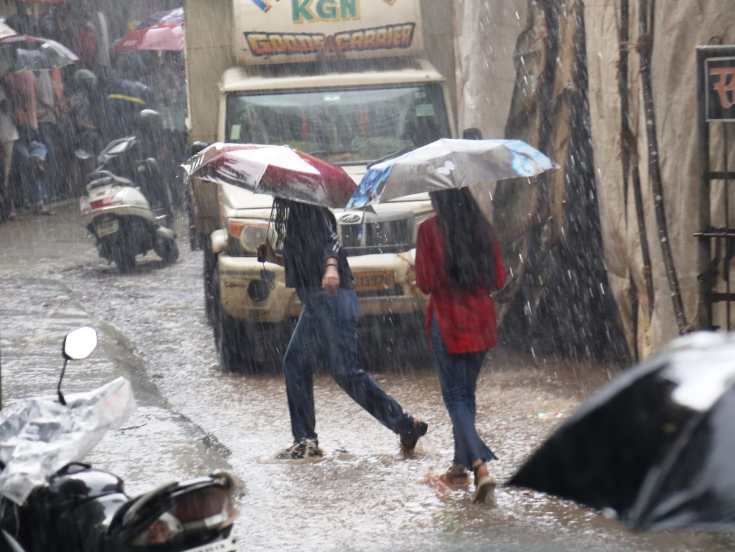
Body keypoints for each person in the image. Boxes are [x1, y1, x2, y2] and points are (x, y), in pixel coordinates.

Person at [259, 199, 428, 459]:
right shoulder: (295, 218)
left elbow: (331, 243)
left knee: (345, 372)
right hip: (316, 304)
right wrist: (274, 257)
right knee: (295, 363)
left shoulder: (312, 210)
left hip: (332, 299)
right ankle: (305, 441)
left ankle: (406, 425)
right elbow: (305, 263)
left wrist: (330, 269)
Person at [415, 188, 506, 503]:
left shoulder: (428, 230)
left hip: (449, 321)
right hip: (481, 322)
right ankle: (458, 466)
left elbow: (425, 283)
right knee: (466, 395)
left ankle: (480, 465)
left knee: (456, 398)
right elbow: (498, 279)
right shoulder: (481, 227)